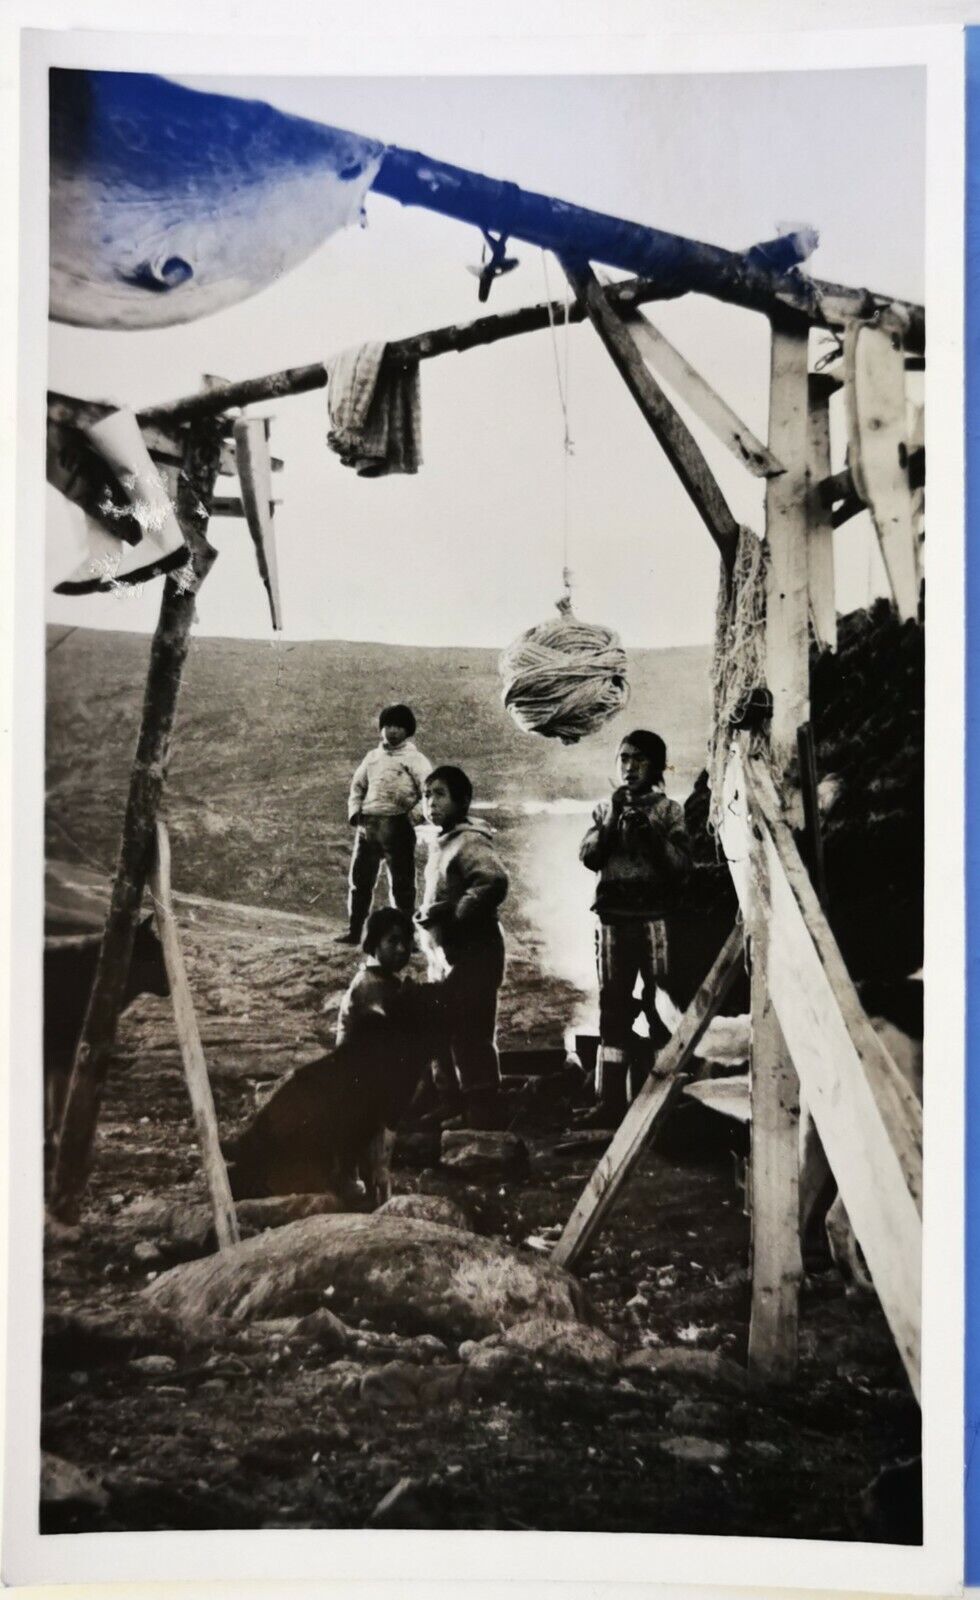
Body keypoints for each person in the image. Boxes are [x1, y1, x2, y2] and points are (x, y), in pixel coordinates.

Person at [578, 729, 691, 1125]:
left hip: (654, 921)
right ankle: (610, 1104)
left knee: (660, 1005)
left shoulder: (669, 811)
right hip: (612, 922)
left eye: (638, 759)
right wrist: (610, 826)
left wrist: (652, 837)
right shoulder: (604, 809)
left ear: (657, 765)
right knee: (613, 1008)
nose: (629, 767)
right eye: (623, 759)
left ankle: (663, 1104)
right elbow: (590, 857)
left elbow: (680, 868)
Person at [415, 765, 509, 1129]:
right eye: (426, 795)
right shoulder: (444, 840)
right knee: (445, 1027)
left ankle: (481, 1107)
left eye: (439, 794)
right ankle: (452, 1100)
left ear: (463, 800)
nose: (430, 803)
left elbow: (493, 880)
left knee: (470, 1032)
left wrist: (456, 914)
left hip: (475, 952)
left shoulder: (470, 841)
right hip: (449, 955)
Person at [337, 704, 432, 946]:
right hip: (369, 828)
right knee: (360, 883)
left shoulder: (415, 759)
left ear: (408, 730)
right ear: (381, 728)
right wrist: (356, 814)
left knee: (402, 888)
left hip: (398, 828)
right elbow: (357, 787)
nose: (392, 731)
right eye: (388, 726)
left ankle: (407, 940)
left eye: (399, 726)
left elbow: (428, 791)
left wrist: (412, 818)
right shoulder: (372, 757)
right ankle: (355, 932)